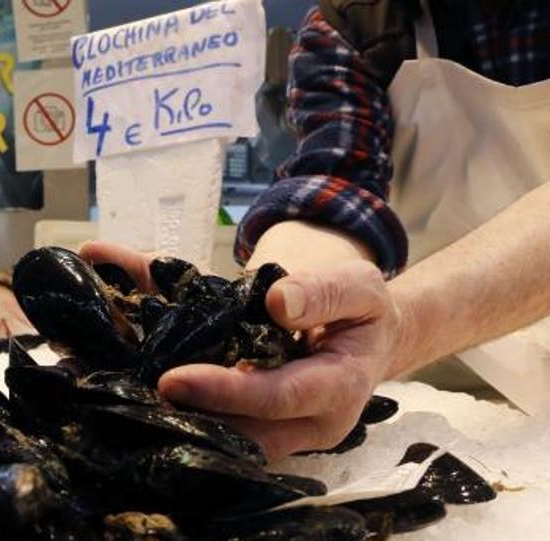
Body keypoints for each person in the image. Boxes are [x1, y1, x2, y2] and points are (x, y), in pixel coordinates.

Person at [81, 0, 550, 460]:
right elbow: (333, 186)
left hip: (412, 347)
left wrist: (401, 327)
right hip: (432, 394)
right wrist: (265, 311)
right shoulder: (355, 22)